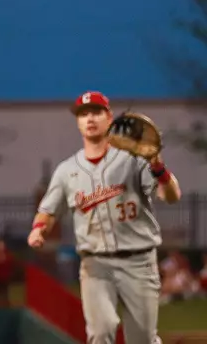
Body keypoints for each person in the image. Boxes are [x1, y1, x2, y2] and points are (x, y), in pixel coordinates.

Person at [27, 91, 182, 344]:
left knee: (142, 338)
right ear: (77, 121)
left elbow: (171, 195)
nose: (90, 118)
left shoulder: (134, 159)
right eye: (84, 114)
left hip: (139, 260)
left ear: (109, 117)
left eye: (97, 112)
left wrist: (157, 165)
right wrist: (38, 229)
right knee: (100, 332)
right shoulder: (67, 170)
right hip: (95, 264)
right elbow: (48, 209)